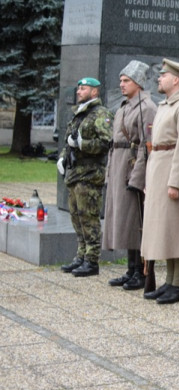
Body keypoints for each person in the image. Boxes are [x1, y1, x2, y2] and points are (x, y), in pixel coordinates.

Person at [141, 59, 179, 304]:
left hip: (172, 170)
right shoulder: (166, 104)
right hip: (160, 167)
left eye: (163, 75)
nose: (159, 78)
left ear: (176, 80)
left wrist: (176, 182)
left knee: (178, 229)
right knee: (166, 229)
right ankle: (169, 282)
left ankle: (177, 285)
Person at [103, 60, 156, 290]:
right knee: (124, 220)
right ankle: (130, 269)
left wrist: (138, 177)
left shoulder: (147, 107)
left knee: (135, 221)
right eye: (121, 81)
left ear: (138, 83)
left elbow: (147, 145)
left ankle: (140, 272)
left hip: (132, 167)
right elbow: (115, 143)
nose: (121, 85)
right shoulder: (125, 106)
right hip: (119, 164)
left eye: (126, 81)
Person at [58, 77, 113, 277]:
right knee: (76, 216)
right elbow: (69, 140)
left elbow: (106, 143)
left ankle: (91, 260)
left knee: (89, 217)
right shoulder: (79, 114)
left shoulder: (101, 114)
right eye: (79, 88)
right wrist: (64, 157)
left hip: (90, 174)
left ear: (94, 92)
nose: (79, 91)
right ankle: (80, 255)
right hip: (75, 174)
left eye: (84, 88)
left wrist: (84, 144)